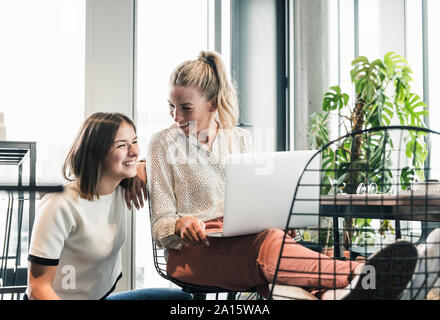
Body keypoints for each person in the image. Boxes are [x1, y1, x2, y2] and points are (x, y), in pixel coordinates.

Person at [145, 50, 440, 300]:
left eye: (186, 108)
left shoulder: (240, 140)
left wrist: (278, 219)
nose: (176, 117)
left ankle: (347, 292)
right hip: (194, 253)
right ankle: (369, 275)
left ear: (212, 103)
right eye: (171, 107)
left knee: (281, 273)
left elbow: (255, 201)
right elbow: (160, 225)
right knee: (271, 250)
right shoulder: (162, 143)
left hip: (251, 242)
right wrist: (182, 223)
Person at [25, 112, 192, 300]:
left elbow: (165, 164)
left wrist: (143, 164)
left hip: (99, 297)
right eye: (122, 145)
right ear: (96, 152)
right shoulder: (59, 205)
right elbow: (37, 288)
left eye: (135, 141)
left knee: (182, 300)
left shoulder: (123, 186)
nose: (134, 151)